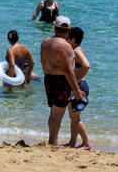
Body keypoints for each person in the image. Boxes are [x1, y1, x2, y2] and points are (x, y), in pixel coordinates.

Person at [39, 16, 85, 145]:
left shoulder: (45, 42)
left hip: (48, 78)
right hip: (60, 80)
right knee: (58, 114)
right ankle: (53, 141)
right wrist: (76, 90)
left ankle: (52, 139)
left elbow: (42, 61)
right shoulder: (66, 47)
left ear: (55, 28)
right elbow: (68, 71)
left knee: (53, 112)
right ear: (69, 30)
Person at [65, 27, 90, 149]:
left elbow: (86, 66)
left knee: (75, 117)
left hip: (80, 86)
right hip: (79, 85)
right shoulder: (76, 49)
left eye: (68, 37)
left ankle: (86, 143)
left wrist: (76, 79)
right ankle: (72, 143)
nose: (66, 39)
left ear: (73, 39)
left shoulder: (76, 51)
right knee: (73, 116)